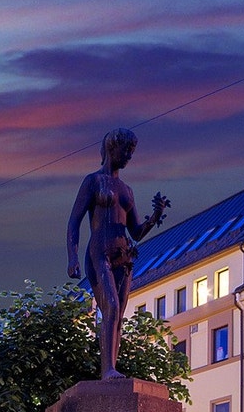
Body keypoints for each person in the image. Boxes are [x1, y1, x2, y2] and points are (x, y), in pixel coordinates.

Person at [66, 128, 169, 377]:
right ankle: (108, 370)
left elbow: (136, 232)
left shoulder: (127, 190)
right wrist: (72, 257)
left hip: (124, 256)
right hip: (99, 252)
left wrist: (154, 217)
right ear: (113, 148)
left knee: (119, 313)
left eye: (132, 153)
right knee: (110, 306)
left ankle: (112, 368)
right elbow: (74, 221)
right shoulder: (93, 182)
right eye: (127, 151)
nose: (129, 157)